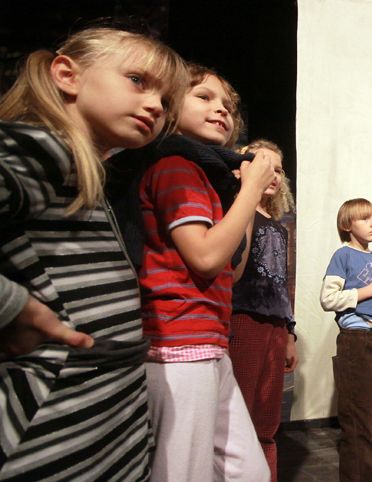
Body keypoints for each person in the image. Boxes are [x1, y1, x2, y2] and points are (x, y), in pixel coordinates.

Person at [0, 27, 187, 480]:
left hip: (101, 427)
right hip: (54, 430)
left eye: (165, 100)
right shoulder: (40, 148)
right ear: (67, 75)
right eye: (137, 80)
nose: (155, 106)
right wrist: (10, 305)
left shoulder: (80, 169)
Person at [135, 64, 272, 481]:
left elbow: (233, 267)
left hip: (208, 342)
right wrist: (251, 189)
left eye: (228, 105)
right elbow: (206, 257)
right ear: (171, 107)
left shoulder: (209, 178)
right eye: (204, 97)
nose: (222, 109)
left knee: (248, 472)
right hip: (179, 341)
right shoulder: (177, 166)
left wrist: (243, 194)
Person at [229, 139, 298, 481]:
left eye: (279, 170)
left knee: (267, 419)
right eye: (265, 166)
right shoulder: (237, 211)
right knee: (238, 414)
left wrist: (289, 333)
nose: (274, 175)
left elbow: (282, 284)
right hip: (244, 319)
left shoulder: (279, 225)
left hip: (275, 325)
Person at [320, 198, 372, 482]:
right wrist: (366, 291)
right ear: (347, 225)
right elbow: (328, 299)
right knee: (358, 421)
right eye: (365, 219)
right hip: (358, 338)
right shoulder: (343, 256)